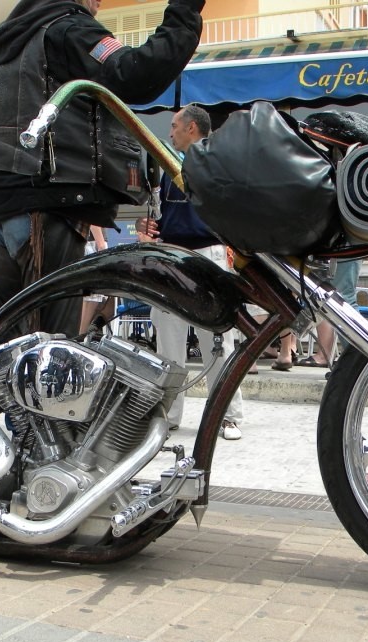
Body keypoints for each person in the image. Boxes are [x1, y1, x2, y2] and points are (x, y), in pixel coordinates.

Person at [0, 0, 204, 338]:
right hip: (50, 203)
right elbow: (135, 73)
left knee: (2, 339)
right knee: (51, 343)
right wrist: (185, 10)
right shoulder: (67, 29)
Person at [144, 104, 245, 441]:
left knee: (217, 340)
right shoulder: (169, 165)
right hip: (172, 254)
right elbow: (162, 214)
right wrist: (149, 227)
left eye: (174, 125)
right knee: (167, 341)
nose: (170, 132)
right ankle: (168, 416)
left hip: (208, 253)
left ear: (191, 128)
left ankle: (227, 416)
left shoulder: (216, 162)